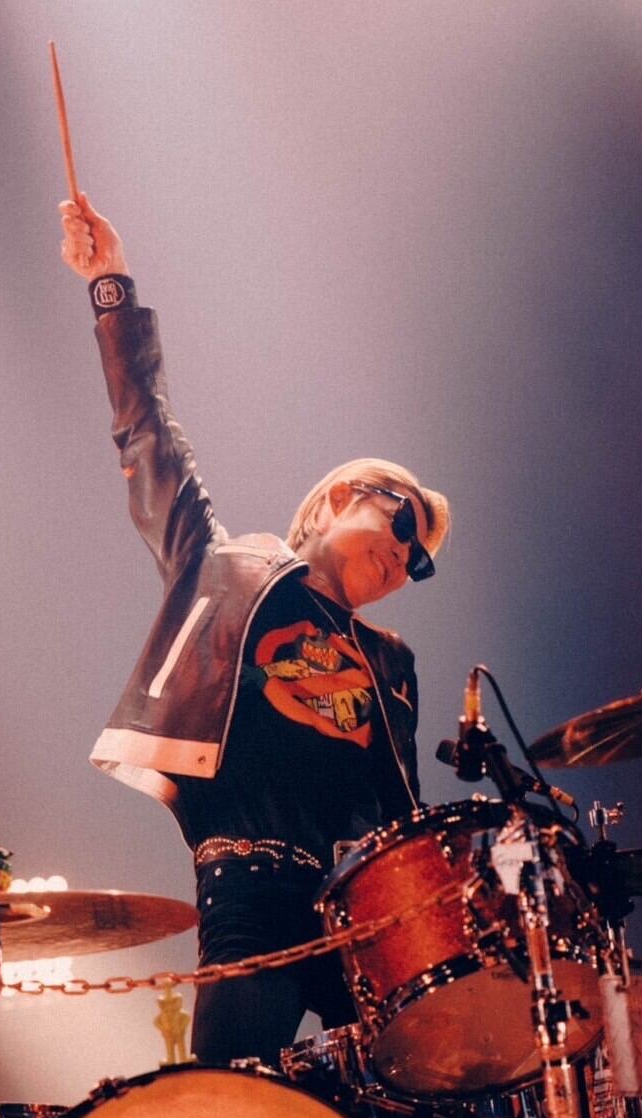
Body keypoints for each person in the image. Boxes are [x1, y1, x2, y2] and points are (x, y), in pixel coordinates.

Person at [59, 193, 451, 1068]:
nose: (405, 557)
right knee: (237, 1100)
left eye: (419, 561)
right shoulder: (225, 571)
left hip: (357, 912)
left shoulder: (390, 664)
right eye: (402, 525)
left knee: (424, 1100)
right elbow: (149, 437)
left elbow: (404, 818)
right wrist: (111, 290)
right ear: (340, 497)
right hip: (250, 886)